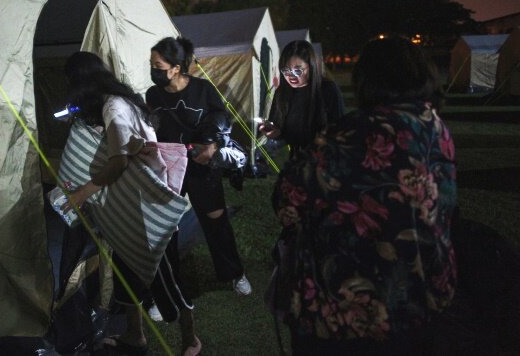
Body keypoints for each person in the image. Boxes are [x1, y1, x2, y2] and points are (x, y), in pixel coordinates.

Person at [272, 36, 457, 355]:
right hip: (422, 296)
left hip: (351, 308)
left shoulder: (354, 132)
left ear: (366, 81)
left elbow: (287, 204)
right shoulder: (436, 127)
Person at [60, 51, 202, 356]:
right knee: (127, 273)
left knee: (163, 279)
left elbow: (119, 162)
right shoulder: (116, 102)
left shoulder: (114, 106)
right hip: (131, 203)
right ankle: (135, 335)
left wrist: (83, 192)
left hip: (148, 206)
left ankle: (191, 340)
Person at [146, 37, 251, 295]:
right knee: (166, 228)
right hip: (169, 170)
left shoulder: (203, 90)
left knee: (216, 222)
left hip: (201, 168)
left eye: (158, 65)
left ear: (176, 68)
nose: (153, 70)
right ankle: (170, 287)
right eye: (151, 64)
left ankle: (234, 274)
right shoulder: (152, 94)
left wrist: (212, 147)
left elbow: (222, 120)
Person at [260, 40, 344, 158]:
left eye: (297, 70)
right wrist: (274, 132)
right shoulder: (282, 92)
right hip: (297, 158)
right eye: (286, 70)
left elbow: (339, 130)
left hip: (324, 159)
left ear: (311, 66)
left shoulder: (327, 90)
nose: (291, 76)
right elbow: (280, 128)